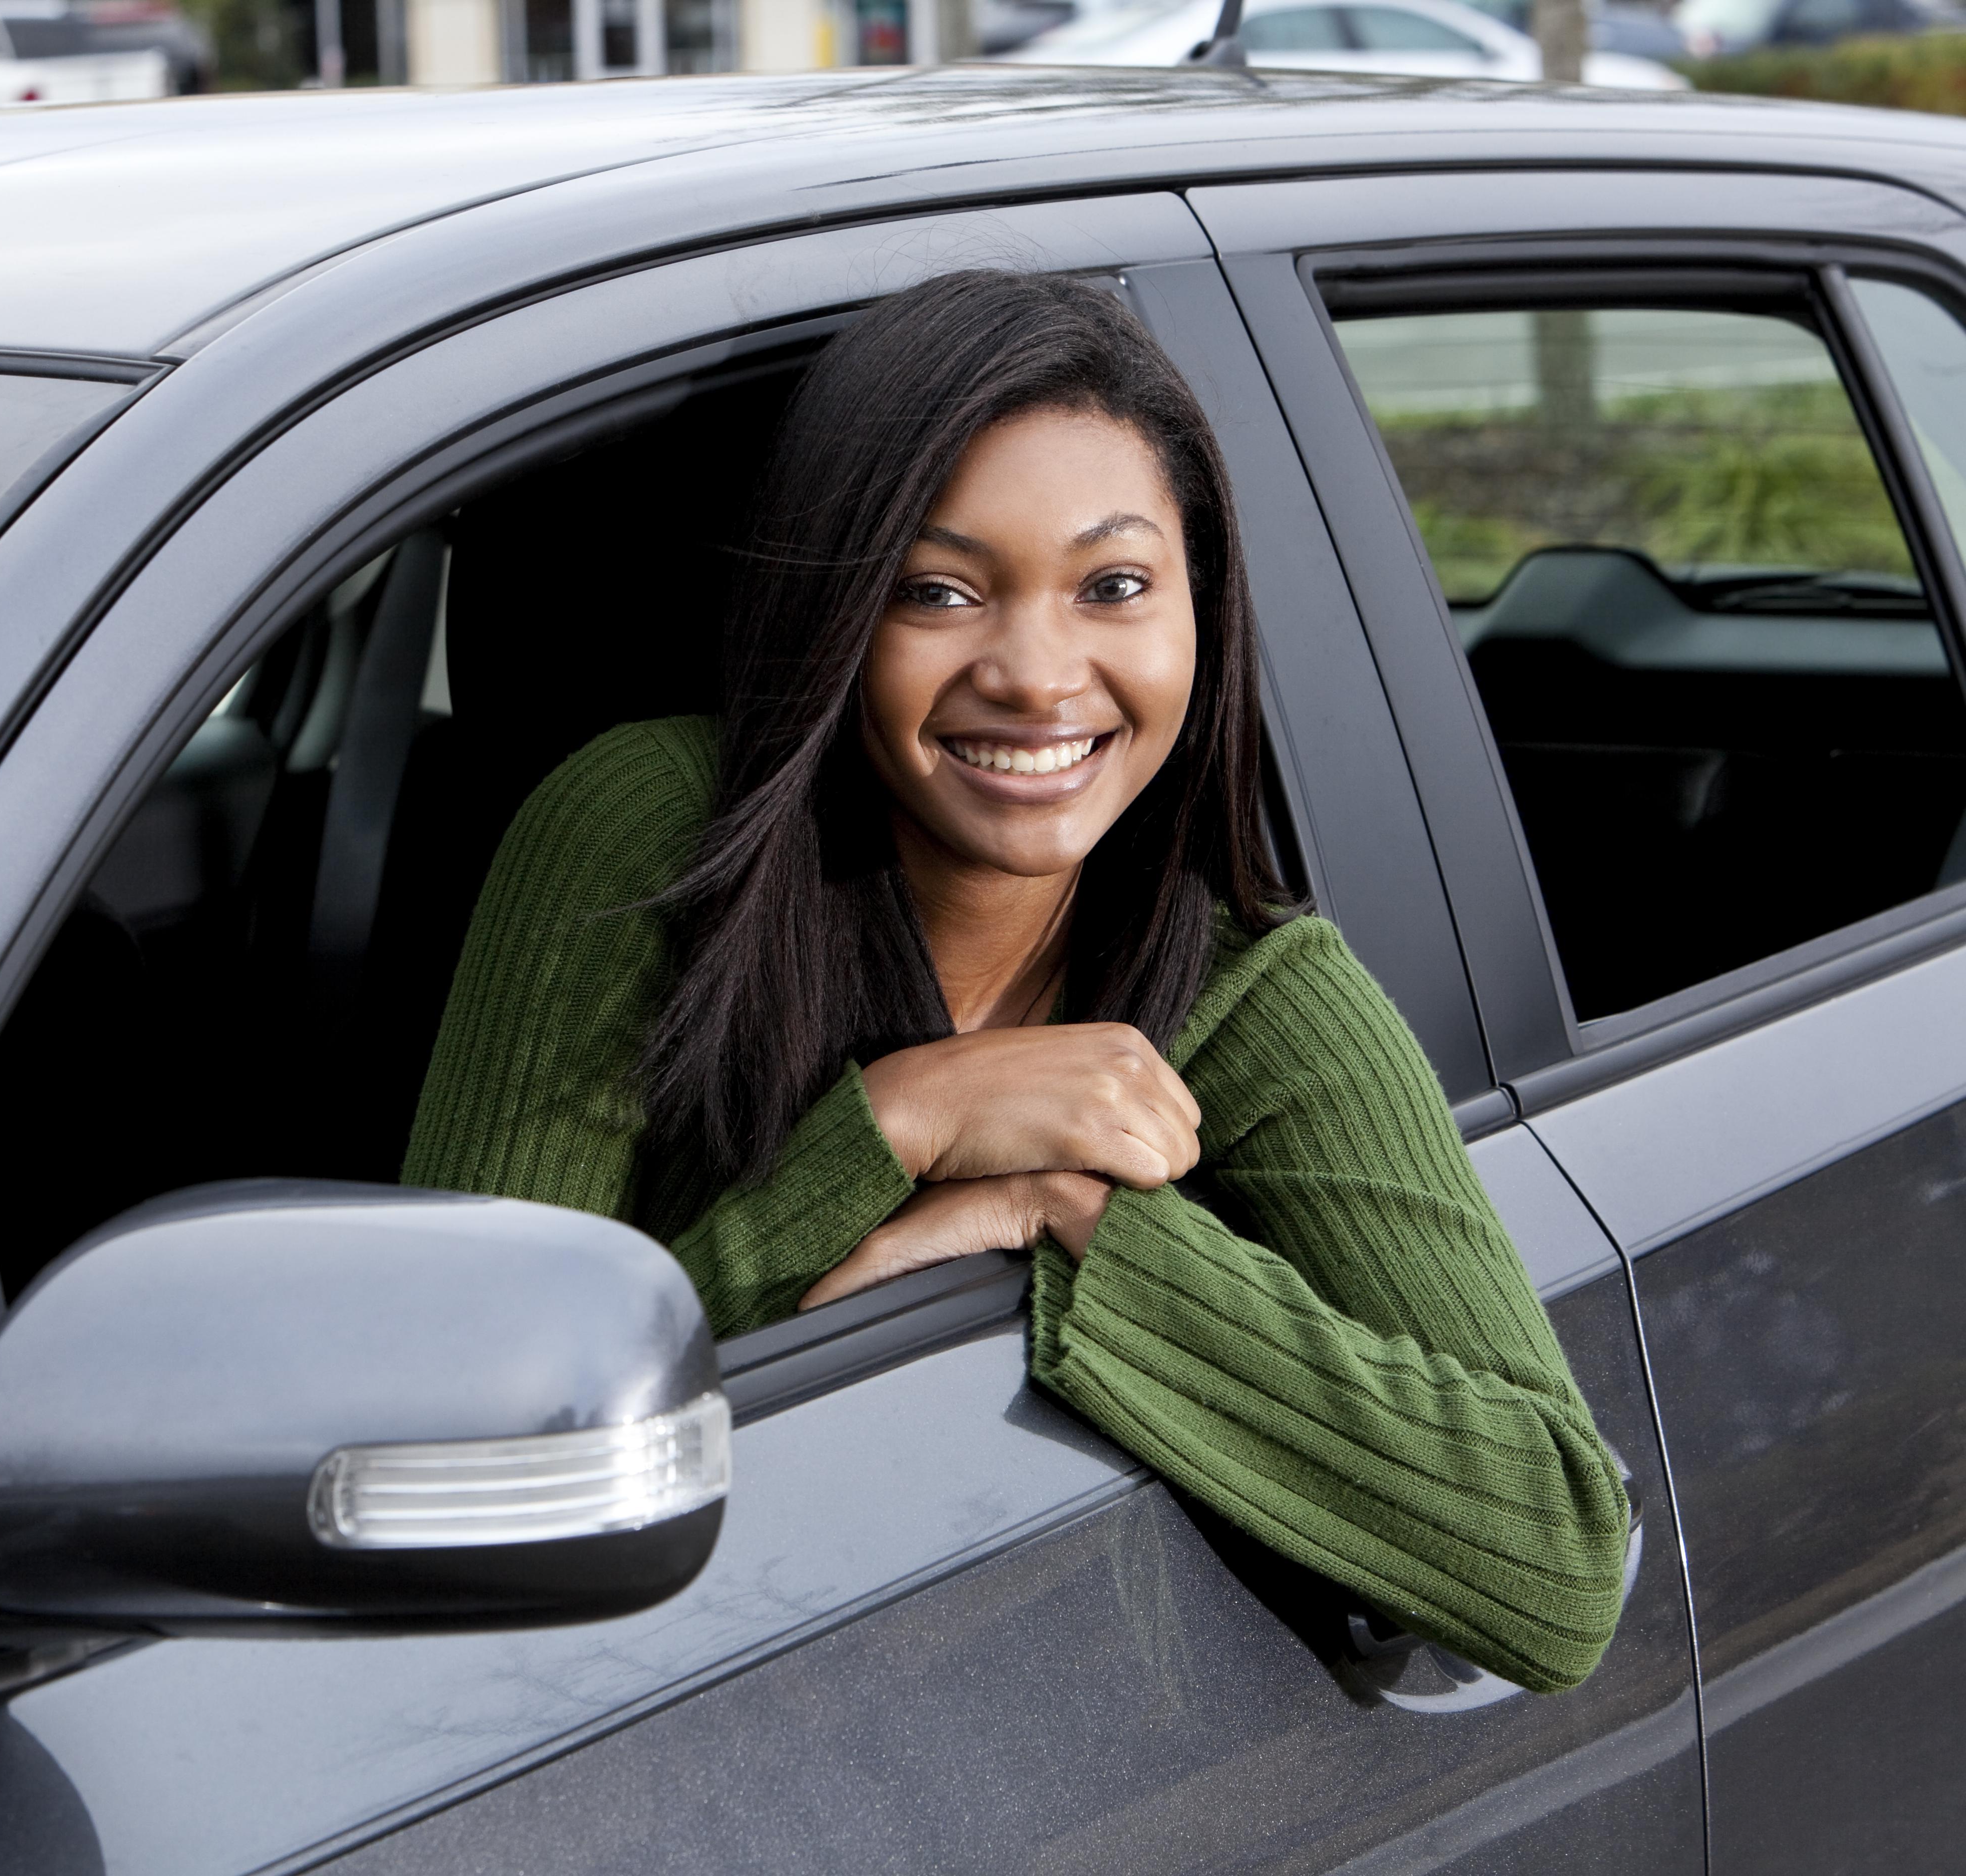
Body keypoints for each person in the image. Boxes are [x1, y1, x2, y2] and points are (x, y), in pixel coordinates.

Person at [400, 270, 1631, 1695]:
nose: (1039, 676)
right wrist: (897, 1129)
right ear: (836, 610)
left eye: (1114, 586)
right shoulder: (653, 842)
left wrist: (1071, 1221)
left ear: (1201, 614)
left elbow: (1557, 1561)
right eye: (939, 591)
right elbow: (466, 1461)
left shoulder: (1254, 994)